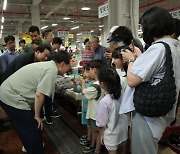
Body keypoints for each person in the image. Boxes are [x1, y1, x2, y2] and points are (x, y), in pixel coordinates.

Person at [120, 7, 180, 154]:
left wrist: (131, 60)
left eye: (144, 26)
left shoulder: (158, 48)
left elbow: (132, 80)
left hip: (148, 113)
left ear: (152, 26)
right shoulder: (174, 46)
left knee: (142, 149)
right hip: (163, 107)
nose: (143, 30)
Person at [0, 51, 71, 154]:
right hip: (12, 96)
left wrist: (34, 113)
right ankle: (35, 150)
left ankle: (29, 146)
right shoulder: (51, 70)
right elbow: (39, 95)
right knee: (33, 127)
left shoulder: (48, 65)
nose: (66, 72)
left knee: (24, 126)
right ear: (62, 64)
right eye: (68, 68)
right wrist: (37, 116)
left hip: (6, 92)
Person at [96, 67, 129, 154]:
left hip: (111, 135)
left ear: (102, 84)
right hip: (123, 132)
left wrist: (101, 135)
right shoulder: (122, 94)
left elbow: (101, 123)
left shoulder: (105, 101)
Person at [82, 60, 105, 154]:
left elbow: (85, 92)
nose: (88, 72)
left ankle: (97, 150)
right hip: (96, 113)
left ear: (94, 70)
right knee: (96, 132)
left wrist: (83, 82)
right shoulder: (101, 83)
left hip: (96, 113)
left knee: (98, 133)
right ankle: (93, 147)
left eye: (89, 70)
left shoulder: (97, 86)